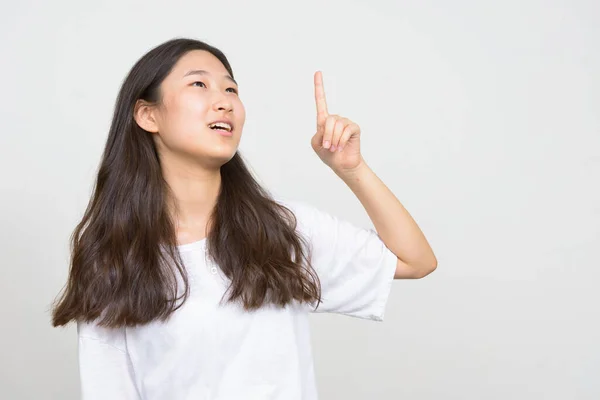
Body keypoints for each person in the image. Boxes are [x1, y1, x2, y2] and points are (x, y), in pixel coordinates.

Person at [51, 37, 437, 400]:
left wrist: (352, 169)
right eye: (199, 85)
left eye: (231, 90)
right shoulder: (116, 256)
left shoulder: (281, 230)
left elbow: (415, 260)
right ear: (148, 115)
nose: (224, 102)